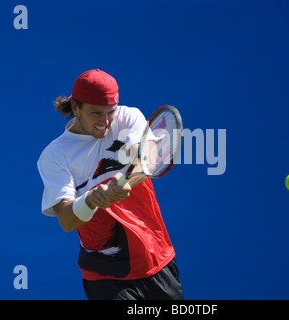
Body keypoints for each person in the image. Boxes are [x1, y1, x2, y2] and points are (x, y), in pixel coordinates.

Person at [37, 68, 183, 300]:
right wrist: (90, 199)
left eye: (110, 112)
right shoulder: (55, 155)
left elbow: (149, 158)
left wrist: (126, 182)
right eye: (96, 113)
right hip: (106, 273)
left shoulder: (128, 117)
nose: (105, 122)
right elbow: (66, 219)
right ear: (75, 108)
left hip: (155, 255)